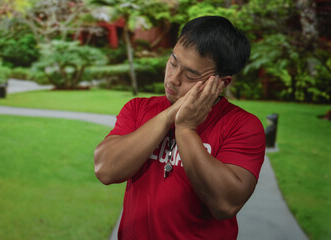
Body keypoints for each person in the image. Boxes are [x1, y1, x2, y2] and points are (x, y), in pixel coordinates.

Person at [94, 16, 265, 240]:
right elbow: (105, 170)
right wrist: (168, 116)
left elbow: (225, 204)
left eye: (191, 74)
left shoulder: (243, 126)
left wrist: (185, 129)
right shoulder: (138, 108)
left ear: (222, 83)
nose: (173, 79)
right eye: (173, 62)